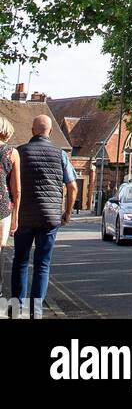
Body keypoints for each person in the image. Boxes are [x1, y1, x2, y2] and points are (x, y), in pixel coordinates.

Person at [10, 114, 77, 319]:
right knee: (42, 264)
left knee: (20, 261)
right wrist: (67, 212)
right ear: (51, 132)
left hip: (23, 216)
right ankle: (35, 312)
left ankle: (15, 308)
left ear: (32, 131)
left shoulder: (19, 153)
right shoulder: (60, 155)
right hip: (49, 217)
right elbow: (73, 186)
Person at [0, 113, 21, 294]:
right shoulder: (12, 153)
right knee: (0, 249)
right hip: (2, 207)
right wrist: (16, 217)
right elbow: (17, 190)